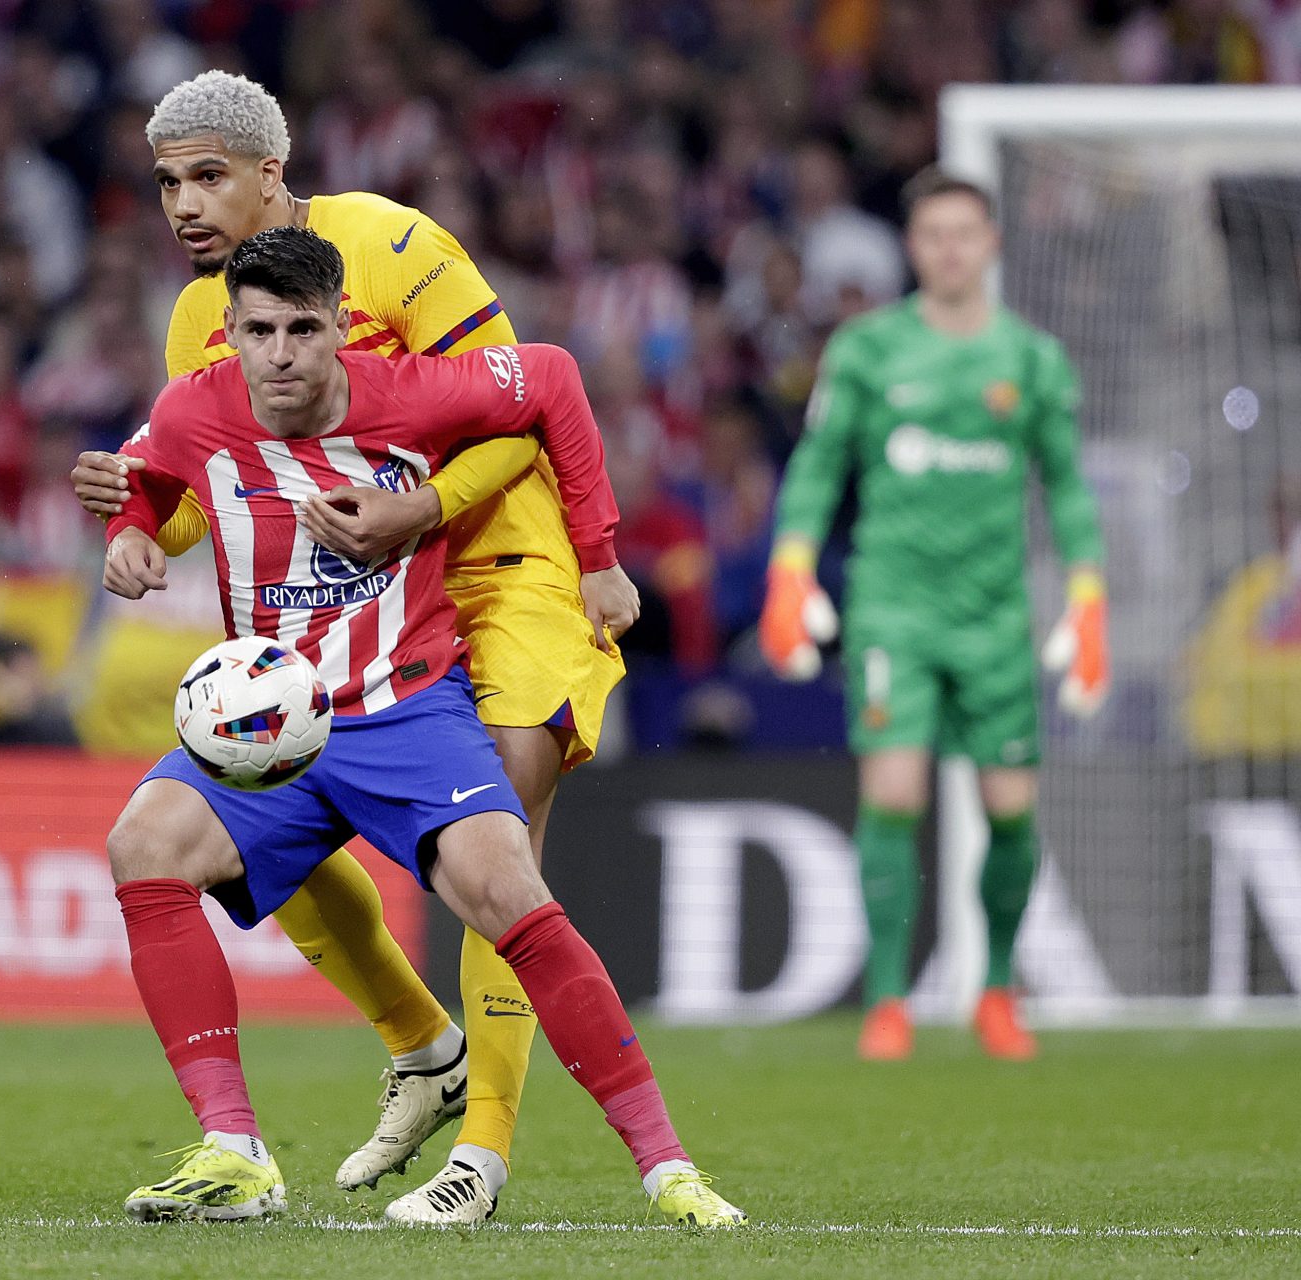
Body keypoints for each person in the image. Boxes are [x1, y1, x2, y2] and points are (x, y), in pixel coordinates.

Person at [104, 226, 746, 1230]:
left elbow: (552, 379)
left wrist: (601, 556)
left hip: (405, 705)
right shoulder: (195, 406)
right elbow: (143, 477)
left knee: (507, 890)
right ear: (226, 333)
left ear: (339, 330)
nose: (278, 354)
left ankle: (667, 1164)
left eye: (303, 330)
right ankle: (235, 1151)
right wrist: (129, 534)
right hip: (272, 720)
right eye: (258, 330)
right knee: (141, 843)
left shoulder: (409, 392)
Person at [70, 70, 625, 1222]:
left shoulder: (392, 240)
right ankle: (424, 1046)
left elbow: (525, 415)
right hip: (341, 601)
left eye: (210, 177)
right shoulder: (195, 320)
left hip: (496, 559)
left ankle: (483, 1149)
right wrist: (131, 514)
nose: (184, 204)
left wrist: (420, 511)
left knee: (500, 828)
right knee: (261, 789)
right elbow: (199, 489)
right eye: (168, 182)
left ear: (274, 174)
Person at [760, 168, 1107, 1062]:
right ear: (912, 248)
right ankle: (887, 1002)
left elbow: (1066, 485)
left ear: (991, 242)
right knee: (895, 793)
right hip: (894, 607)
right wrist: (792, 570)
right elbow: (818, 464)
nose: (950, 250)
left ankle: (995, 989)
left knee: (1013, 810)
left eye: (965, 233)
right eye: (933, 235)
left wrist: (1089, 592)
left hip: (994, 615)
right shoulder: (869, 349)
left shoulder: (1031, 357)